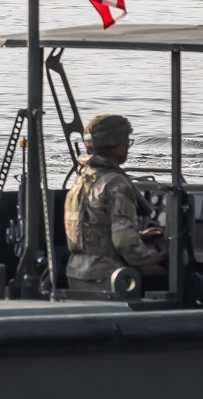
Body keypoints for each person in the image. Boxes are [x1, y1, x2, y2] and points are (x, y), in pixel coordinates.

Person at [65, 113, 168, 297]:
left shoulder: (82, 177)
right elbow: (124, 241)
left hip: (77, 272)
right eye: (126, 141)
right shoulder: (116, 183)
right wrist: (149, 257)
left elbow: (91, 229)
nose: (128, 146)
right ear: (114, 143)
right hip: (108, 276)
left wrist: (139, 237)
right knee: (169, 274)